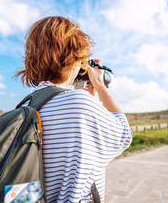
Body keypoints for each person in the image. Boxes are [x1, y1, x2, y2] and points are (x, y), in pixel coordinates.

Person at [14, 16, 132, 203]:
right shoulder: (79, 103)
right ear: (74, 57)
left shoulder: (23, 107)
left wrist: (87, 97)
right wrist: (99, 84)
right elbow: (124, 135)